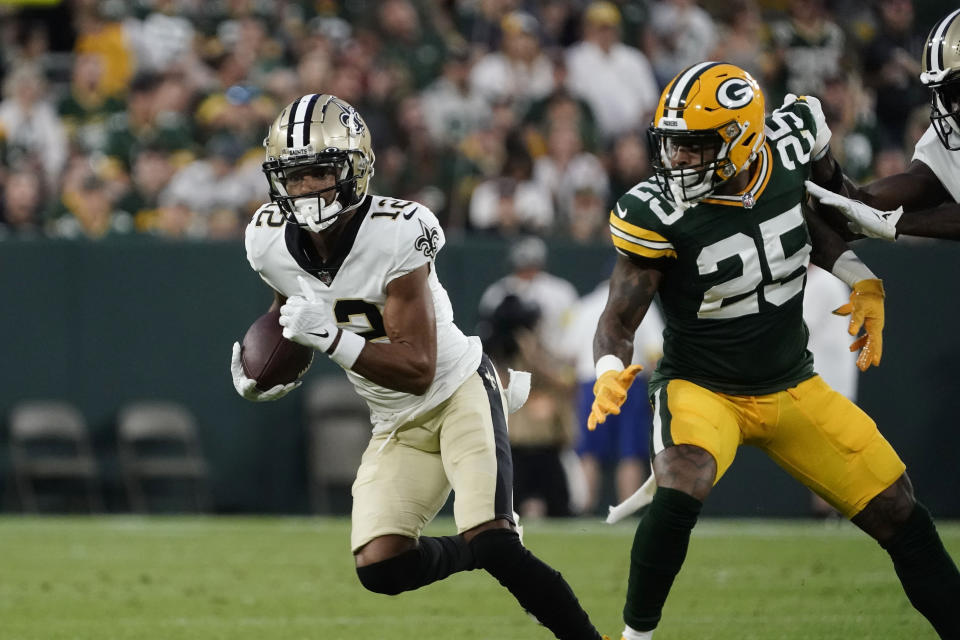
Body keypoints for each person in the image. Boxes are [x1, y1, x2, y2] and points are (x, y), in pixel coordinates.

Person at [588, 63, 960, 639]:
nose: (677, 161)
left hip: (791, 383)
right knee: (685, 476)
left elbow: (824, 214)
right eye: (671, 146)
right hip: (701, 386)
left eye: (694, 147)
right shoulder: (655, 212)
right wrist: (609, 368)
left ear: (740, 140)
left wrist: (858, 276)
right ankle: (635, 638)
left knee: (897, 507)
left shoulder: (792, 146)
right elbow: (618, 317)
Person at [229, 93, 606, 640]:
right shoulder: (267, 241)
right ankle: (474, 552)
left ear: (355, 170)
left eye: (319, 171)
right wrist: (264, 371)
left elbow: (419, 368)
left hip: (457, 392)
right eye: (294, 175)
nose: (306, 187)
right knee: (382, 567)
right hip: (395, 423)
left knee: (497, 540)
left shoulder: (398, 231)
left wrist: (329, 338)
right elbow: (290, 314)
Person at [805, 8, 960, 243]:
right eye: (948, 92)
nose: (955, 106)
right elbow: (857, 212)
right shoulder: (949, 132)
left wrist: (892, 222)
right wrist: (820, 157)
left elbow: (884, 219)